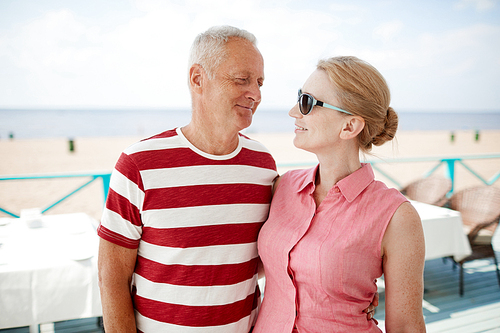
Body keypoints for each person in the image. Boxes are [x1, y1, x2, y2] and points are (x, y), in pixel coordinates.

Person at [97, 26, 377, 332]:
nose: (255, 94)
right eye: (241, 80)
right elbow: (111, 275)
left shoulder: (263, 166)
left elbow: (283, 252)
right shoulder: (138, 164)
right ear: (197, 79)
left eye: (259, 82)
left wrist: (346, 286)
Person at [254, 56, 426, 332]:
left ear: (349, 126)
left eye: (307, 102)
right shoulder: (282, 187)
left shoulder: (397, 216)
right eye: (299, 97)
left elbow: (406, 326)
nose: (293, 112)